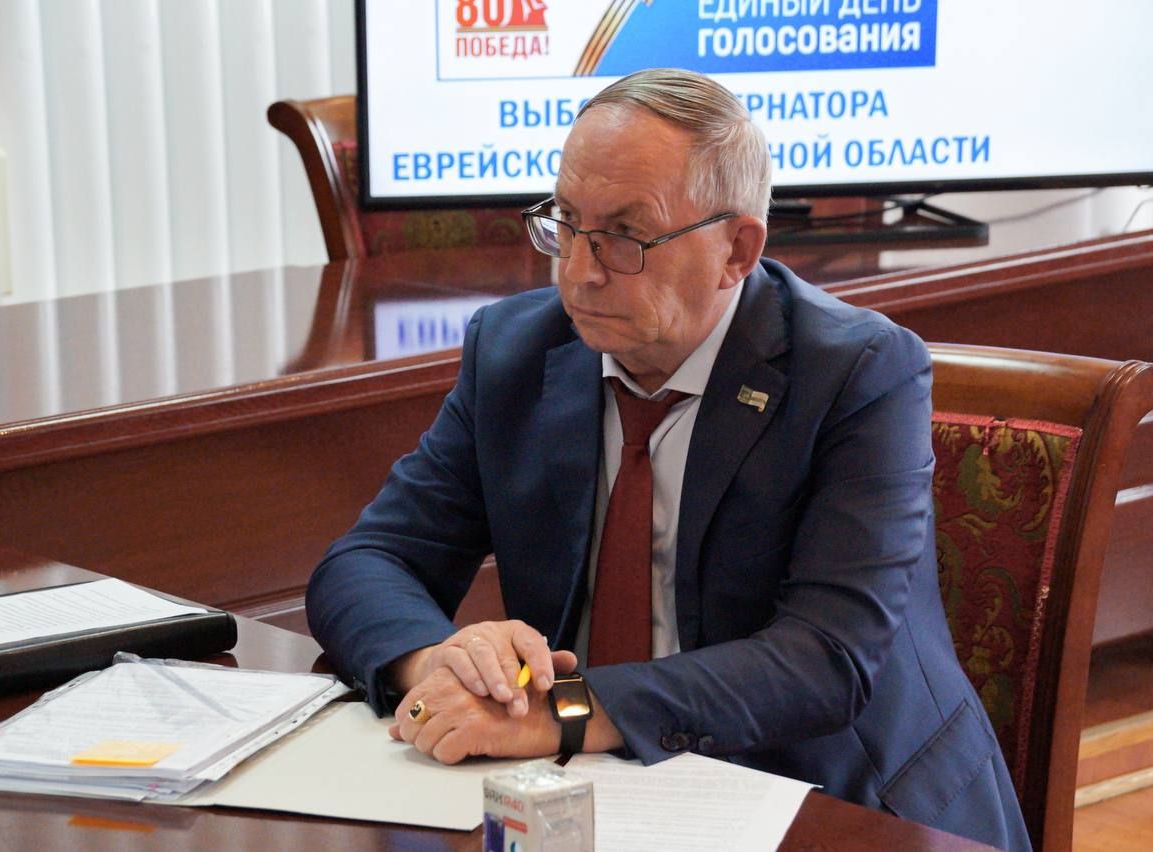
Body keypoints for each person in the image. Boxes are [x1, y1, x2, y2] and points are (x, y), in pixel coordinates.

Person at [306, 68, 1030, 850]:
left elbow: (826, 659)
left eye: (625, 237)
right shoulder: (516, 351)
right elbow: (368, 561)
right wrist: (438, 665)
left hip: (829, 797)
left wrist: (564, 711)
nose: (579, 271)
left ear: (736, 251)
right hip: (587, 793)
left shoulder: (856, 372)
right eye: (566, 223)